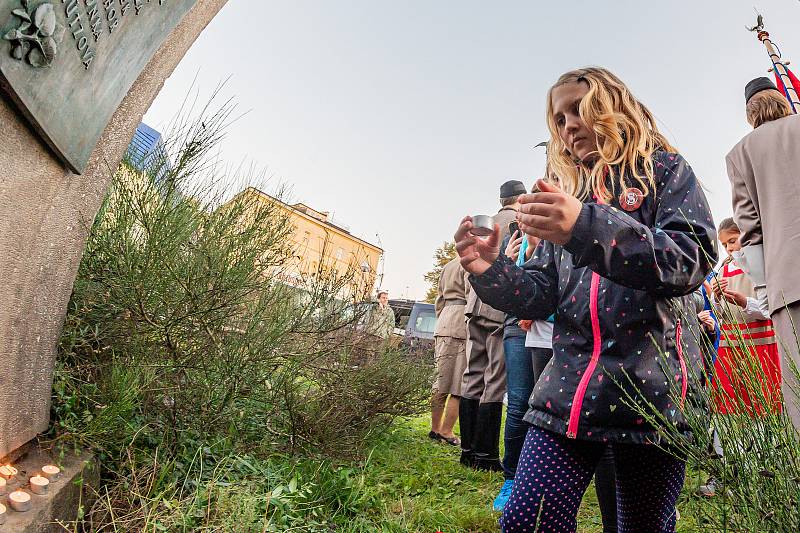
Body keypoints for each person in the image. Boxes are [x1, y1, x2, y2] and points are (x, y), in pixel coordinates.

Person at [454, 67, 716, 532]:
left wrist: (587, 226)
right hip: (569, 389)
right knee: (527, 519)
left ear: (617, 108)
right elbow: (539, 295)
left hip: (650, 394)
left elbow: (691, 256)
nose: (568, 124)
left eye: (579, 109)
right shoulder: (567, 198)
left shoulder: (666, 172)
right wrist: (490, 270)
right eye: (558, 118)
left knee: (641, 524)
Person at [727, 76, 800, 429]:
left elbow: (750, 231)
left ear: (749, 113)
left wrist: (764, 292)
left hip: (788, 283)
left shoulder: (741, 153)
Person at [460, 179, 525, 471]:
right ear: (520, 198)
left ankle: (467, 450)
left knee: (473, 373)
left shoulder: (484, 223)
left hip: (474, 304)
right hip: (498, 303)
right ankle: (485, 455)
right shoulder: (517, 223)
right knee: (495, 378)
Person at [429, 257, 468, 446]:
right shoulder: (470, 262)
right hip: (461, 322)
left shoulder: (447, 266)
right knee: (457, 386)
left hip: (444, 321)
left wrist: (444, 317)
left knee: (440, 381)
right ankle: (446, 431)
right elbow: (472, 295)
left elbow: (439, 300)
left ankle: (435, 428)